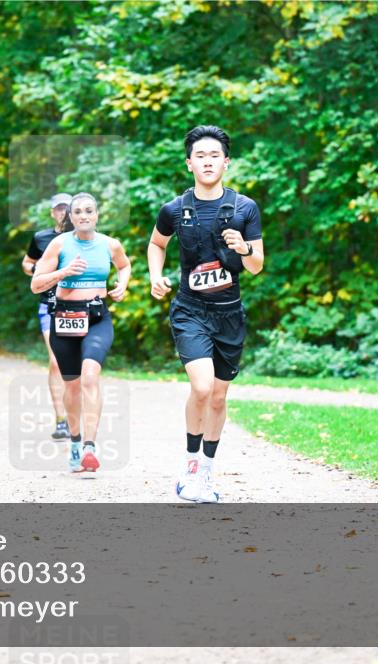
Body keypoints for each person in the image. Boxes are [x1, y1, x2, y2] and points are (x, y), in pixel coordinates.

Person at [147, 125, 265, 502]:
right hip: (190, 310)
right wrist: (154, 276)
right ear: (189, 164)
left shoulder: (245, 208)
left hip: (229, 314)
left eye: (215, 155)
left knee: (217, 397)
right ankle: (190, 467)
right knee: (201, 387)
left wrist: (244, 248)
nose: (208, 161)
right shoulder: (175, 209)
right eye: (201, 155)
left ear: (226, 162)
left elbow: (258, 265)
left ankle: (208, 472)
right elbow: (156, 244)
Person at [31, 193, 131, 473]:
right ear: (70, 218)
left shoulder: (110, 244)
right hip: (64, 319)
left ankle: (89, 445)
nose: (84, 215)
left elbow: (124, 265)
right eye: (78, 212)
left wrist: (122, 285)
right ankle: (75, 441)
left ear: (97, 215)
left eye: (89, 210)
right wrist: (63, 272)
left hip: (98, 318)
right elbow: (36, 285)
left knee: (90, 377)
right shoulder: (59, 244)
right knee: (72, 386)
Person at [21, 193, 72, 440]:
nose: (63, 212)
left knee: (79, 365)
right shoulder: (41, 238)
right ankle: (61, 420)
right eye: (59, 209)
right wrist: (38, 271)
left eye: (67, 208)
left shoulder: (83, 238)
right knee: (55, 361)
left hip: (78, 307)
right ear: (53, 212)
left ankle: (78, 416)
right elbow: (26, 262)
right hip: (49, 305)